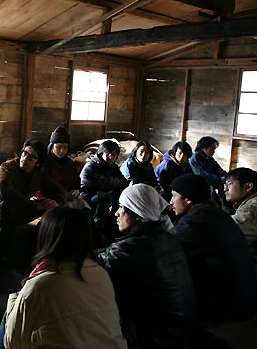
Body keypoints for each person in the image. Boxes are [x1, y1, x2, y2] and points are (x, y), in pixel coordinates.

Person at [0, 207, 126, 349]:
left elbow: (13, 344)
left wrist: (16, 303)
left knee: (10, 314)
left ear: (46, 238)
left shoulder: (40, 287)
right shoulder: (101, 274)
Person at [96, 184, 195, 349]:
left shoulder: (129, 249)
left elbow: (94, 267)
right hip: (183, 329)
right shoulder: (167, 237)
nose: (116, 213)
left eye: (122, 208)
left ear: (139, 215)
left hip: (155, 337)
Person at [170, 174, 257, 330]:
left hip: (228, 309)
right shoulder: (219, 216)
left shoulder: (193, 224)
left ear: (188, 199)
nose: (171, 202)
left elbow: (167, 253)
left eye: (174, 196)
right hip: (247, 298)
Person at [0, 140, 67, 263]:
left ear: (38, 163)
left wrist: (56, 203)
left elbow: (61, 191)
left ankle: (42, 250)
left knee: (50, 206)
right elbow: (5, 192)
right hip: (0, 211)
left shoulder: (39, 173)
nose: (25, 158)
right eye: (24, 153)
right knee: (6, 206)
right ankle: (4, 254)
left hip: (24, 208)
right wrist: (33, 205)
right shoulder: (8, 167)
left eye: (31, 157)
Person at [79, 140, 128, 244]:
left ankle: (112, 226)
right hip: (88, 196)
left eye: (114, 155)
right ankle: (97, 230)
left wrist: (112, 185)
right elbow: (100, 185)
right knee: (105, 199)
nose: (111, 157)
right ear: (101, 153)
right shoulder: (91, 166)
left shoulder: (113, 167)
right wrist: (114, 183)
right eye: (108, 154)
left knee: (120, 196)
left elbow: (123, 182)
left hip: (105, 194)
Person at [224, 167, 257, 261]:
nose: (225, 189)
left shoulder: (252, 207)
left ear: (248, 186)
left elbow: (226, 232)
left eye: (229, 184)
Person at [188, 136, 227, 206]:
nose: (214, 152)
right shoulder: (194, 160)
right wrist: (218, 179)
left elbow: (219, 170)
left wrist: (227, 177)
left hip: (209, 189)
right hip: (197, 190)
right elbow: (201, 175)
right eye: (212, 149)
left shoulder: (209, 159)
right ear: (204, 148)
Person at [43, 126, 80, 192]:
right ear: (52, 147)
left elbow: (76, 184)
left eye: (65, 147)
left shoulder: (71, 164)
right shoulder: (45, 163)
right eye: (58, 147)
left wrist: (74, 191)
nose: (62, 151)